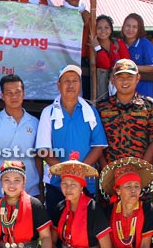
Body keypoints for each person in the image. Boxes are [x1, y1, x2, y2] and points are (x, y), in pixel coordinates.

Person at [35, 65, 108, 211]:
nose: (70, 84)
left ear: (80, 84)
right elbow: (43, 150)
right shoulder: (48, 112)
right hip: (57, 182)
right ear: (58, 85)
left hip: (86, 182)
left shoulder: (90, 111)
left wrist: (79, 172)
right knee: (57, 227)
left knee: (83, 228)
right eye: (66, 80)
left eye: (75, 80)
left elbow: (98, 146)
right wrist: (67, 174)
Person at [0, 74, 42, 205]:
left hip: (31, 191)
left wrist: (41, 190)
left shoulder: (34, 122)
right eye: (9, 93)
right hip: (1, 191)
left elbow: (38, 158)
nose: (14, 96)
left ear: (24, 94)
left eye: (18, 92)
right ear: (2, 96)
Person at [97, 59, 153, 167]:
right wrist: (106, 170)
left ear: (137, 78)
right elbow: (96, 141)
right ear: (113, 79)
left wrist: (142, 167)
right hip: (109, 172)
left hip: (139, 174)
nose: (125, 81)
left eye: (129, 77)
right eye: (120, 77)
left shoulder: (149, 106)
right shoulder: (102, 107)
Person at [90, 15, 130, 99]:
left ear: (111, 29)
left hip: (120, 85)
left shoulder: (118, 43)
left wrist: (115, 71)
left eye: (106, 27)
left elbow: (127, 63)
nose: (103, 31)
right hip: (101, 88)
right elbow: (105, 65)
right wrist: (97, 48)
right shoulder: (92, 47)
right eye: (99, 28)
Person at [120, 13, 153, 98]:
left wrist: (129, 67)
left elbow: (152, 68)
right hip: (123, 90)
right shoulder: (118, 43)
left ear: (139, 29)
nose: (130, 29)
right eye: (128, 25)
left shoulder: (145, 44)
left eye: (134, 27)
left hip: (143, 90)